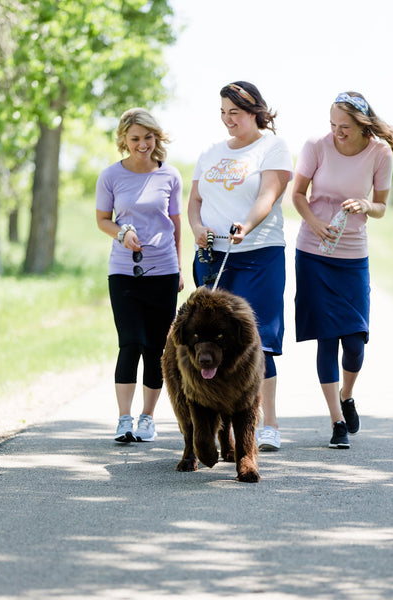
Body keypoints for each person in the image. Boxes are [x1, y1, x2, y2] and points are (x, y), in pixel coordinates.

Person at [292, 91, 393, 449]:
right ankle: (337, 421)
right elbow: (297, 194)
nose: (337, 132)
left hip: (353, 257)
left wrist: (364, 204)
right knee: (326, 339)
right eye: (332, 125)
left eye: (344, 127)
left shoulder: (379, 153)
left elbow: (382, 207)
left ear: (362, 126)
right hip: (313, 253)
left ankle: (347, 393)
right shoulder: (316, 145)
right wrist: (313, 223)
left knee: (355, 341)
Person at [188, 81, 293, 451]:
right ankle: (220, 430)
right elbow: (195, 201)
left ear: (254, 112)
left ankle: (269, 423)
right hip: (213, 258)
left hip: (258, 255)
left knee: (256, 342)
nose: (227, 120)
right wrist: (198, 229)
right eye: (222, 112)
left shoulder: (273, 147)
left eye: (234, 112)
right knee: (210, 342)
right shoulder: (211, 152)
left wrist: (246, 225)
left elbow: (269, 194)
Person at [96, 107, 184, 444]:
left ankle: (147, 418)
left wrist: (177, 265)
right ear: (123, 140)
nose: (142, 144)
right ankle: (124, 419)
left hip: (163, 271)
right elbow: (103, 219)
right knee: (130, 342)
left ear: (156, 138)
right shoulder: (110, 176)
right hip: (123, 272)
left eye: (148, 137)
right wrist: (121, 234)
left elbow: (175, 224)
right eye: (135, 138)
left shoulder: (170, 176)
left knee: (156, 347)